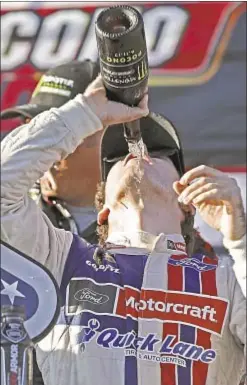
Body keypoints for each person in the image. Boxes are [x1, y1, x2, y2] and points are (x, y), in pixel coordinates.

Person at [1, 75, 246, 385]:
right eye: (117, 157)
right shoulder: (63, 260)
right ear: (102, 213)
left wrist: (241, 239)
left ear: (186, 204)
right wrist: (85, 112)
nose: (137, 150)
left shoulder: (226, 279)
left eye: (157, 154)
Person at [1, 60, 101, 243]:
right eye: (30, 127)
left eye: (57, 129)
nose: (39, 144)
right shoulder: (13, 207)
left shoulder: (150, 216)